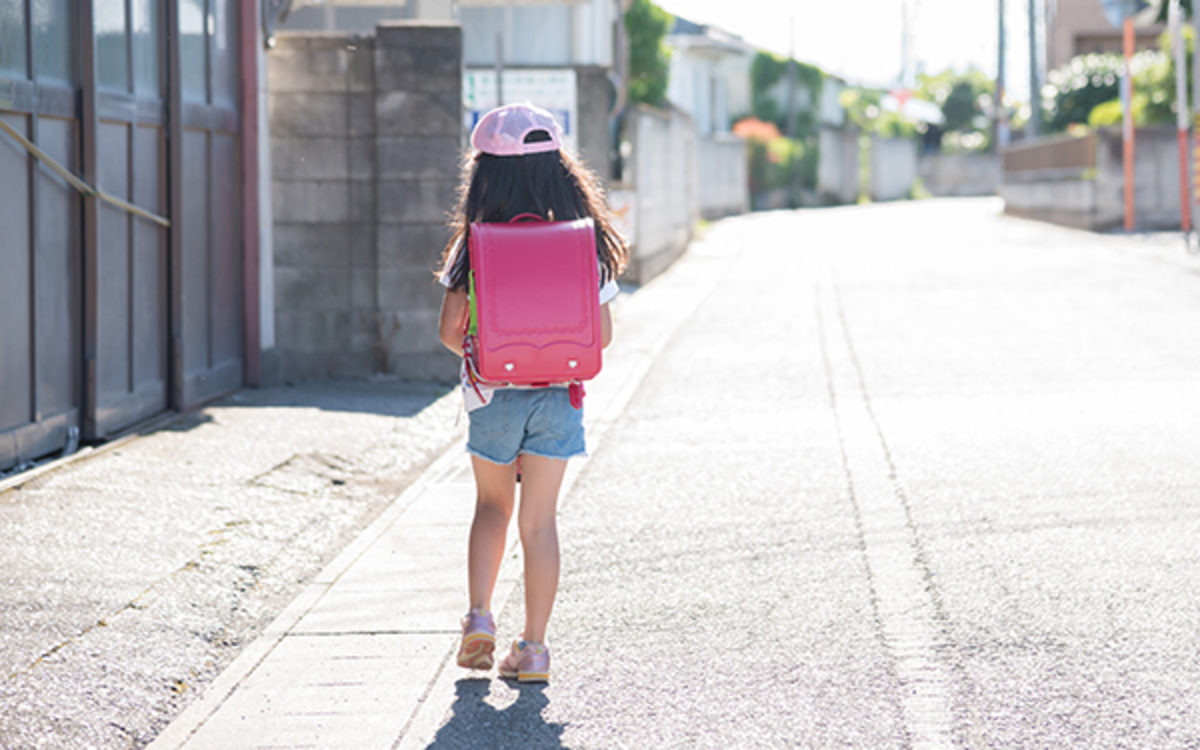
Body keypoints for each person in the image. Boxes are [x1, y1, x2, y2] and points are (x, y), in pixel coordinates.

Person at [435, 102, 628, 683]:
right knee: (539, 523)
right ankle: (535, 649)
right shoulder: (583, 245)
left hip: (493, 396)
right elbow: (605, 335)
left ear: (485, 175)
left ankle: (479, 620)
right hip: (559, 398)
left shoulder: (473, 247)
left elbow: (448, 330)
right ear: (559, 169)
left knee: (492, 507)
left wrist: (489, 358)